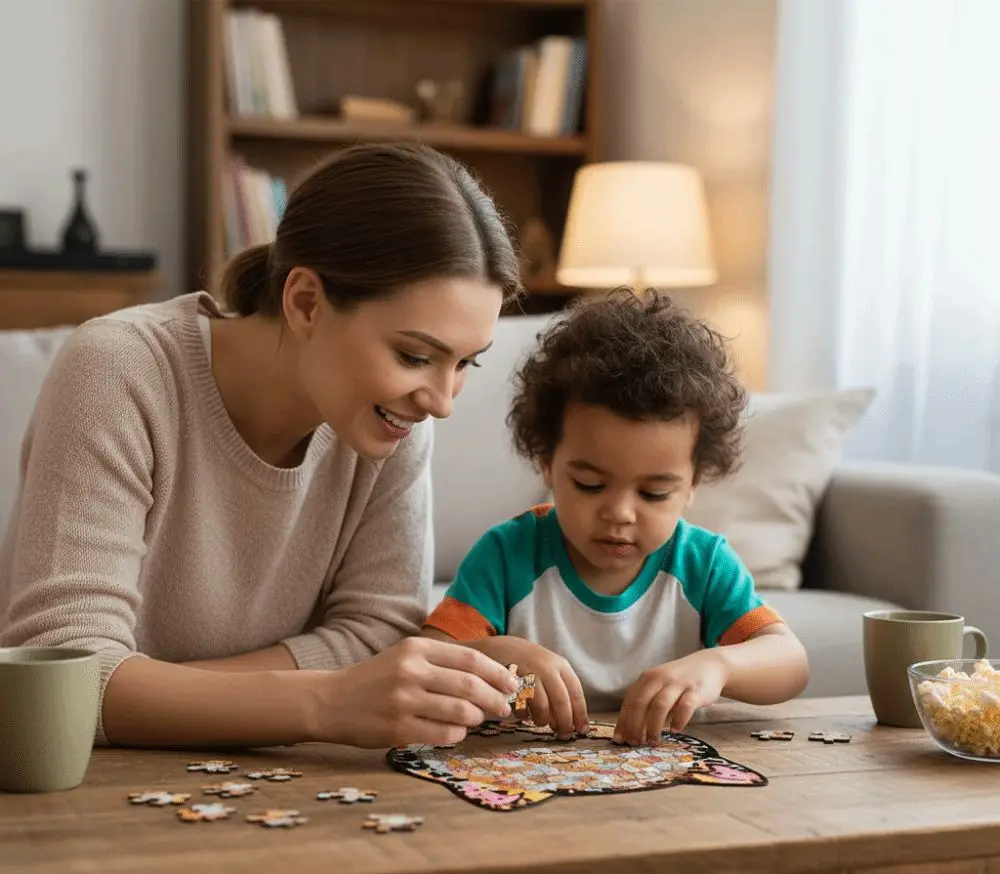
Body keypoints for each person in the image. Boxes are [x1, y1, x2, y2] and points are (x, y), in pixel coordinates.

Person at [0, 141, 526, 750]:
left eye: (466, 363)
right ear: (305, 302)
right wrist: (325, 701)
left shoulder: (393, 418)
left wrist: (144, 694)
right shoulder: (118, 371)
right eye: (414, 355)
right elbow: (60, 681)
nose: (442, 400)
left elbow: (379, 633)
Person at [423, 289, 810, 746]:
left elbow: (791, 663)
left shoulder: (701, 563)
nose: (620, 513)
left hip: (668, 784)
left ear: (692, 484)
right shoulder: (508, 555)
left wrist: (718, 666)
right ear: (547, 461)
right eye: (589, 484)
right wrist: (493, 651)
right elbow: (427, 660)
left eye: (654, 492)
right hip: (519, 779)